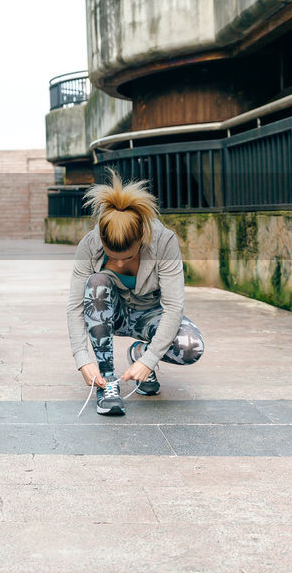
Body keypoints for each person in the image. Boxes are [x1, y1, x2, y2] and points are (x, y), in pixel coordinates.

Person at [66, 171, 205, 415]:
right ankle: (108, 383)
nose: (119, 265)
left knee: (190, 347)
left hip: (151, 315)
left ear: (142, 237)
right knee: (97, 282)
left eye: (128, 257)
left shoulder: (163, 241)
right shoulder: (90, 244)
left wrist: (148, 360)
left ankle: (138, 352)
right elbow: (76, 306)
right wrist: (82, 359)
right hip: (112, 316)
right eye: (112, 257)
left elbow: (173, 307)